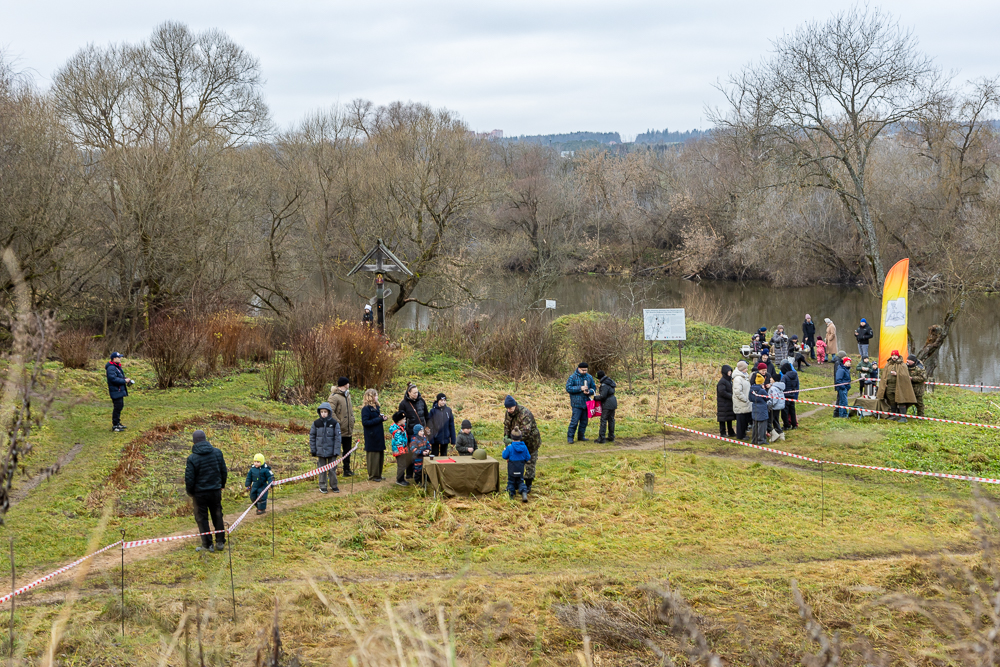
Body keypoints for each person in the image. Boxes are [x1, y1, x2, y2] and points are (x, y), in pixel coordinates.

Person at [185, 430, 228, 553]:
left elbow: (189, 479)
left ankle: (207, 544)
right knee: (217, 515)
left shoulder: (192, 458)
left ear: (194, 441)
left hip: (200, 494)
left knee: (202, 519)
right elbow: (223, 471)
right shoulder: (217, 453)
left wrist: (190, 492)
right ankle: (220, 541)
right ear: (205, 439)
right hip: (215, 490)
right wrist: (221, 485)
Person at [503, 395, 541, 493]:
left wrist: (511, 442)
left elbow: (525, 432)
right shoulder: (508, 413)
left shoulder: (525, 414)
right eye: (507, 408)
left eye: (510, 408)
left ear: (515, 405)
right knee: (515, 463)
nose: (509, 410)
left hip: (531, 442)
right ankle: (516, 483)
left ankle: (528, 484)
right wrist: (506, 441)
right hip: (515, 442)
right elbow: (506, 427)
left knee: (530, 463)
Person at [309, 401, 341, 493]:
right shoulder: (316, 423)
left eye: (325, 412)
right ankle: (322, 485)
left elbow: (337, 438)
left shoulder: (334, 424)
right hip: (320, 451)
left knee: (332, 470)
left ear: (329, 412)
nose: (323, 414)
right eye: (322, 412)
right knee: (321, 469)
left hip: (331, 452)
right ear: (319, 412)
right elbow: (312, 437)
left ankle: (334, 485)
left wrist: (336, 451)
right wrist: (313, 450)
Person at [876, 350, 916, 422]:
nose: (894, 357)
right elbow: (884, 375)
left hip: (899, 386)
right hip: (889, 386)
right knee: (891, 401)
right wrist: (885, 383)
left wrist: (897, 374)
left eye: (895, 355)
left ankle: (903, 417)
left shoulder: (902, 365)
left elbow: (905, 376)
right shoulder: (888, 364)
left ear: (898, 356)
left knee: (901, 400)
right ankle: (893, 415)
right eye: (893, 355)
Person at [328, 377, 355, 477]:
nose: (349, 384)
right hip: (338, 429)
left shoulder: (347, 395)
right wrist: (338, 423)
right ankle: (332, 471)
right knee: (335, 452)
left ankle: (347, 470)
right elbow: (330, 412)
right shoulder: (334, 397)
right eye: (348, 383)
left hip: (348, 429)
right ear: (345, 384)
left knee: (347, 451)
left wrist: (352, 419)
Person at [361, 388, 388, 482]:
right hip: (371, 436)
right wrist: (379, 419)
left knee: (380, 455)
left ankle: (378, 474)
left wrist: (382, 418)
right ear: (370, 397)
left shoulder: (376, 408)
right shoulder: (366, 409)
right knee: (373, 456)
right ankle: (373, 475)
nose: (377, 397)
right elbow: (365, 422)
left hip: (379, 434)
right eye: (375, 395)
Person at [565, 362, 596, 443]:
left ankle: (581, 436)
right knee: (574, 421)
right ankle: (570, 437)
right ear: (578, 369)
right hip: (576, 404)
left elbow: (594, 388)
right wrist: (580, 388)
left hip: (586, 403)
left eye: (586, 370)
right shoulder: (572, 377)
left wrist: (589, 392)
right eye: (583, 370)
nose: (584, 371)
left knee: (584, 421)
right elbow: (568, 388)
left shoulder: (589, 377)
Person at [105, 352, 134, 432]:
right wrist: (124, 381)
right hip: (116, 391)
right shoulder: (111, 368)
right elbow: (113, 379)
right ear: (114, 359)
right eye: (119, 357)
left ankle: (118, 423)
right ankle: (115, 426)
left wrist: (125, 379)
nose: (120, 358)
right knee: (117, 407)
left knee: (120, 406)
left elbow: (118, 377)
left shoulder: (116, 367)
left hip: (118, 390)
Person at [502, 428, 531, 502]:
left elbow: (504, 456)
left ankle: (511, 495)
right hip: (520, 468)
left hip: (512, 469)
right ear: (520, 437)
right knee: (521, 481)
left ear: (512, 438)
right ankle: (524, 492)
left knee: (511, 482)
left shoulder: (509, 447)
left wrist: (504, 450)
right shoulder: (524, 447)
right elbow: (528, 457)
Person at [390, 411, 414, 486]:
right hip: (400, 451)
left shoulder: (401, 427)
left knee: (403, 464)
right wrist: (402, 451)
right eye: (404, 419)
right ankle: (399, 479)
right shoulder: (398, 431)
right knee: (401, 465)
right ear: (399, 421)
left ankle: (401, 478)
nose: (405, 421)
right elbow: (399, 442)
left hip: (403, 449)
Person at [749, 366, 771, 445]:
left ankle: (754, 440)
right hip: (762, 410)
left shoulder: (751, 389)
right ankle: (761, 440)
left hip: (755, 409)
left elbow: (750, 398)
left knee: (755, 426)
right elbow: (768, 398)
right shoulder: (762, 391)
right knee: (762, 426)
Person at [595, 371, 617, 443]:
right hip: (613, 402)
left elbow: (602, 396)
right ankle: (611, 436)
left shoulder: (604, 385)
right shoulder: (610, 382)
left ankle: (601, 438)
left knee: (603, 420)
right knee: (611, 420)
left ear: (599, 378)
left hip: (607, 404)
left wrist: (595, 398)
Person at [732, 361, 752, 440]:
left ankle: (743, 434)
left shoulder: (745, 377)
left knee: (744, 421)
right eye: (745, 368)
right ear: (742, 369)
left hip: (746, 402)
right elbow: (738, 392)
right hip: (741, 403)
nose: (747, 369)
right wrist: (745, 399)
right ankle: (740, 436)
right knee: (741, 421)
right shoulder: (738, 378)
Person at [716, 365, 736, 437]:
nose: (730, 373)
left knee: (729, 418)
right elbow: (722, 392)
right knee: (722, 418)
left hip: (729, 403)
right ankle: (723, 432)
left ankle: (731, 431)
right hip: (723, 403)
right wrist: (731, 396)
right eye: (729, 371)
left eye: (730, 371)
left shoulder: (729, 381)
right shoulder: (722, 381)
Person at [767, 370, 786, 442]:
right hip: (779, 406)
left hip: (774, 407)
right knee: (776, 421)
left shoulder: (773, 388)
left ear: (774, 379)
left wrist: (769, 405)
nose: (770, 379)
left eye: (771, 378)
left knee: (769, 421)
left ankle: (774, 434)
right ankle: (781, 434)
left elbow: (774, 399)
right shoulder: (779, 387)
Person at [780, 360, 799, 429]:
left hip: (785, 396)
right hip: (792, 395)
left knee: (785, 412)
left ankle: (786, 425)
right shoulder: (795, 375)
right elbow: (797, 385)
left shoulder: (785, 377)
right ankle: (794, 424)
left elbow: (782, 386)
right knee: (792, 411)